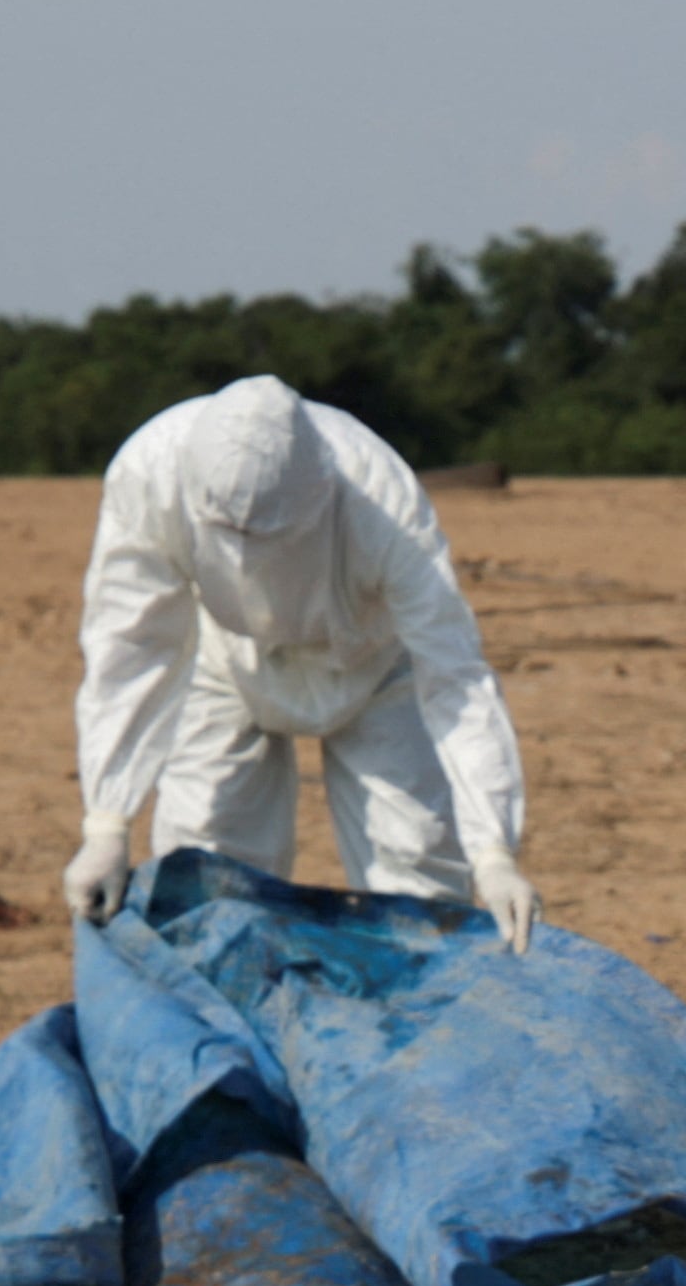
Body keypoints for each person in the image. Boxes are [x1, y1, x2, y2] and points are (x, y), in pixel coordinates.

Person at [61, 375, 539, 948]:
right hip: (226, 659)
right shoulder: (149, 472)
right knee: (209, 866)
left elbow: (454, 675)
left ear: (321, 493)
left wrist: (492, 851)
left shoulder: (383, 502)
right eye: (226, 531)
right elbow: (131, 643)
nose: (244, 556)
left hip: (374, 665)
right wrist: (108, 822)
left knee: (417, 875)